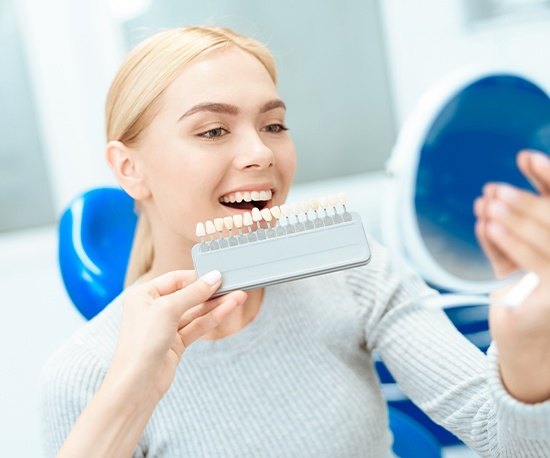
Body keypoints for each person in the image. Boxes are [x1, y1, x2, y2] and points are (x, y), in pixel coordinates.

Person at [40, 26, 550, 457]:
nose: (261, 152)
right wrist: (132, 391)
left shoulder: (355, 273)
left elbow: (508, 440)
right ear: (129, 169)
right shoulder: (85, 373)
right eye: (214, 131)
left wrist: (528, 353)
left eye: (274, 124)